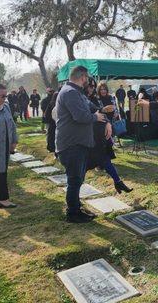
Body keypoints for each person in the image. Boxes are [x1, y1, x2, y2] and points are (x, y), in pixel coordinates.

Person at [55, 65, 109, 223]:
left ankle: (76, 205)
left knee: (77, 178)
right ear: (82, 77)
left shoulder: (76, 92)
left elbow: (92, 108)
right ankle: (73, 213)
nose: (88, 81)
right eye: (87, 77)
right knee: (74, 179)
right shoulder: (70, 92)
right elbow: (80, 116)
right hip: (72, 145)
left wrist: (103, 116)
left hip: (78, 143)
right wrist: (96, 118)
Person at [85, 79, 132, 194]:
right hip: (85, 137)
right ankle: (74, 201)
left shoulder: (92, 98)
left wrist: (107, 121)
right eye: (89, 86)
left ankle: (118, 181)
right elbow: (85, 115)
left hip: (98, 134)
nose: (91, 88)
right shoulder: (81, 97)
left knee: (105, 158)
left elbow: (98, 111)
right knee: (82, 168)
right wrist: (101, 113)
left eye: (92, 86)